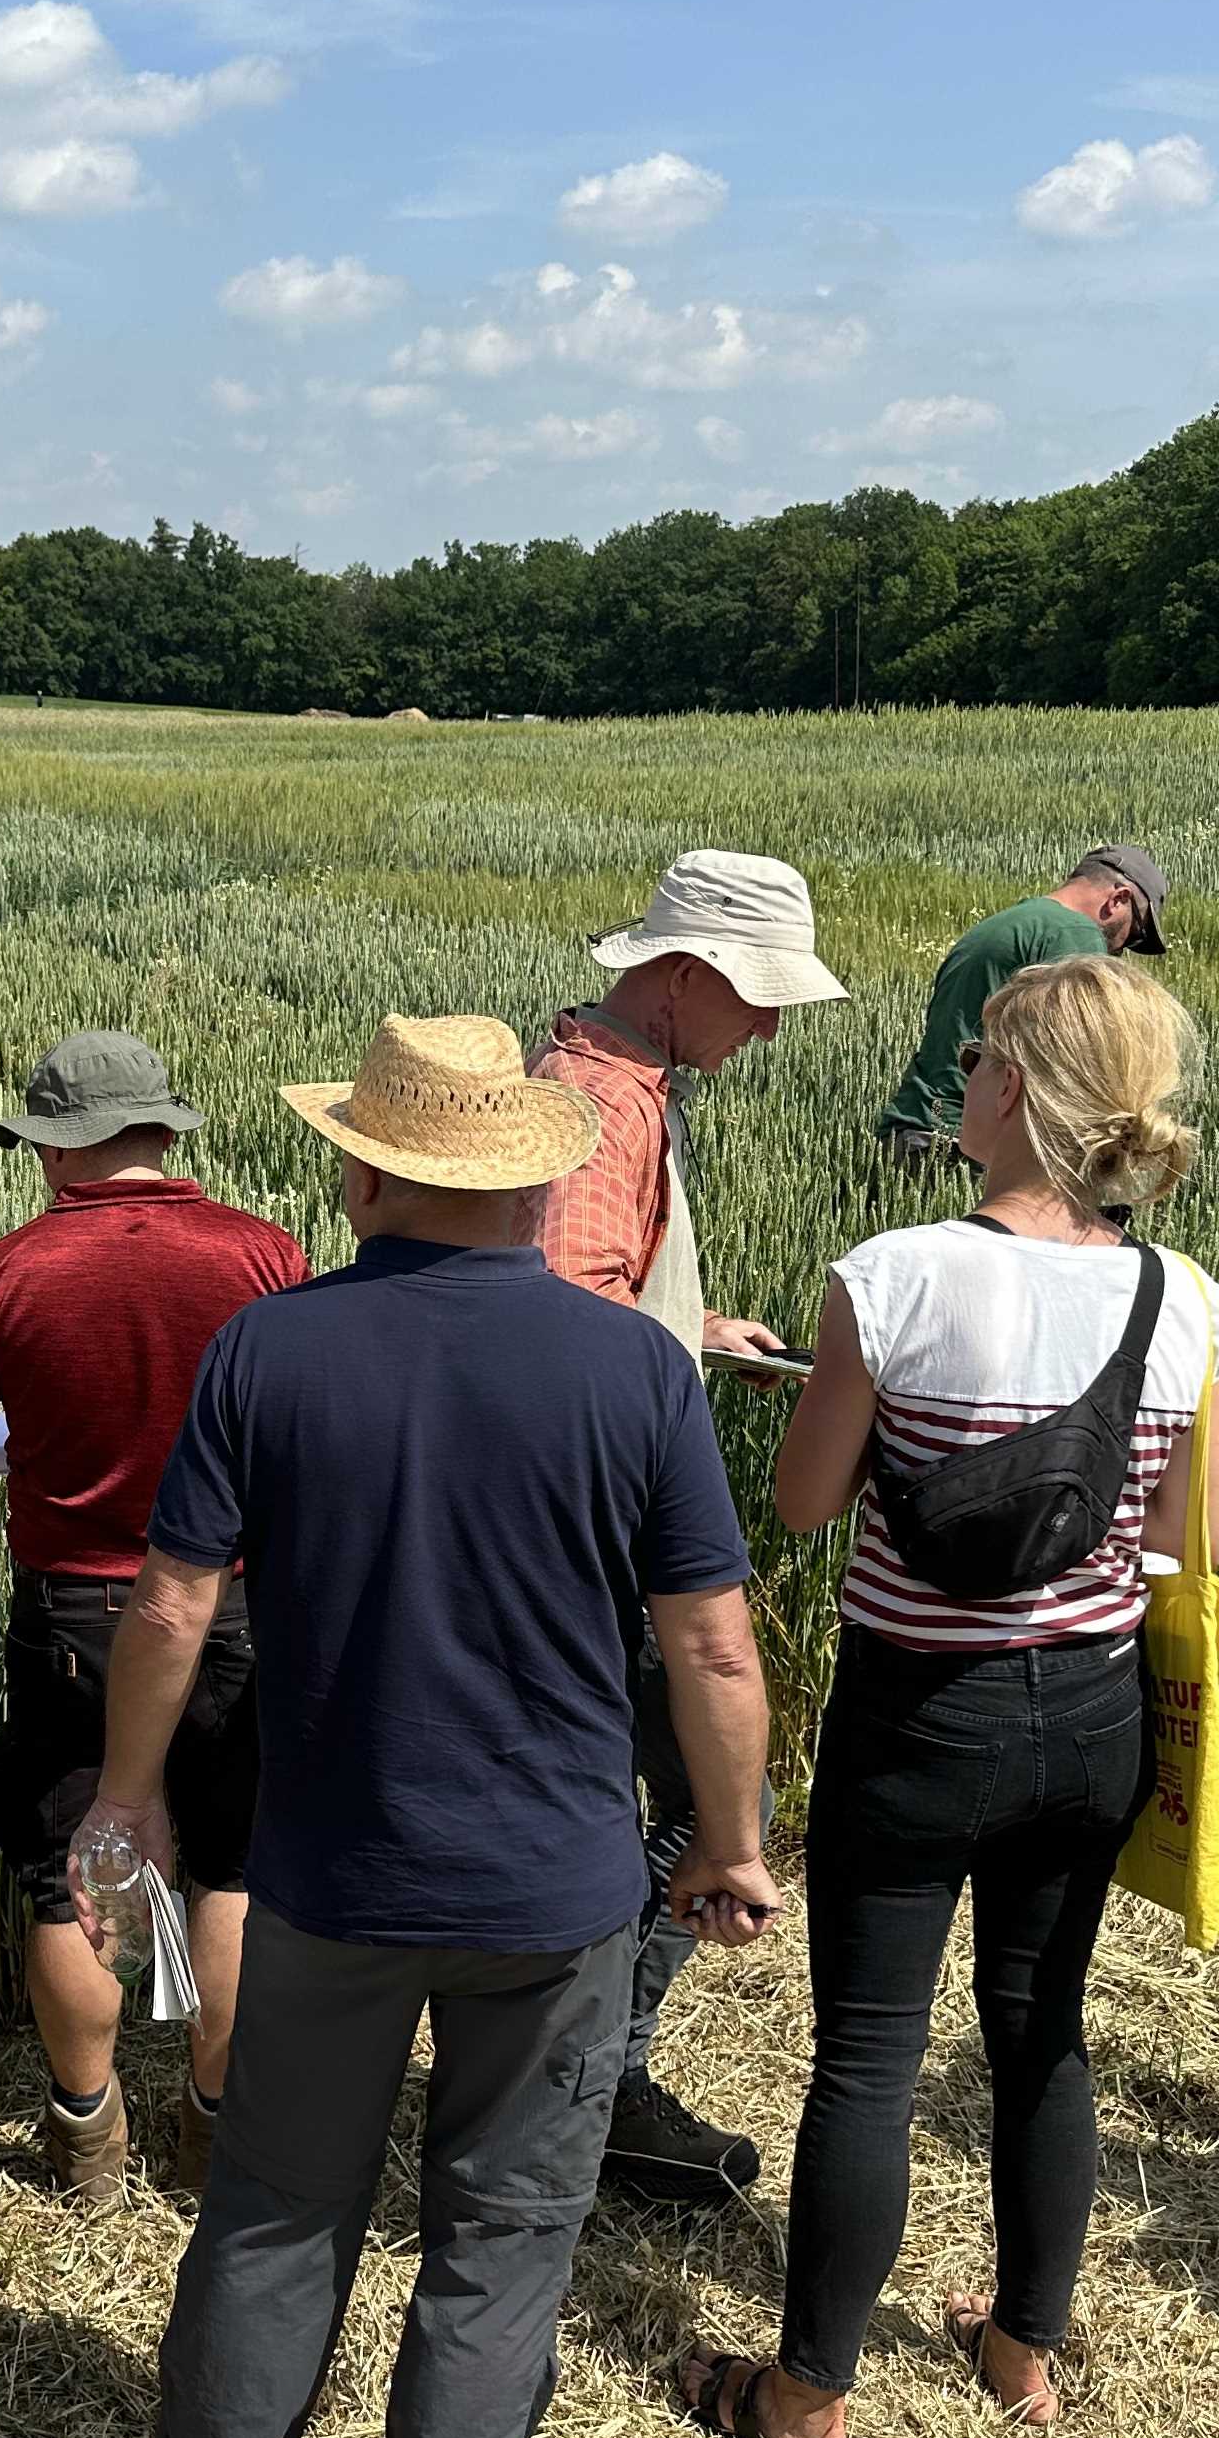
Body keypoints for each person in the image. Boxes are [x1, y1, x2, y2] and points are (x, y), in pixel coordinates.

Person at [101, 1013, 778, 2438]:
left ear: (364, 1172)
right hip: (557, 1891)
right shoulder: (636, 1369)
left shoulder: (269, 1350)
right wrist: (732, 1841)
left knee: (274, 2210)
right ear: (538, 1186)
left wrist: (130, 1795)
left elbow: (172, 1606)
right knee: (502, 2241)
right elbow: (710, 1645)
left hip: (330, 1878)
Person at [680, 954, 1219, 2438]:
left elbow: (806, 1501)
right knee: (1041, 2027)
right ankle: (1020, 2351)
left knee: (868, 2057)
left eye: (983, 1059)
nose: (964, 1081)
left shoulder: (896, 1276)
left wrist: (883, 1428)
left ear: (1012, 1092)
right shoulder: (1179, 1298)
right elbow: (1200, 1532)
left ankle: (807, 2399)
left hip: (921, 1715)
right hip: (1095, 1721)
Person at [0, 1030, 308, 2203]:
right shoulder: (266, 1257)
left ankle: (87, 2136)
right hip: (233, 1608)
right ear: (163, 1132)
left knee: (72, 1873)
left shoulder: (7, 1274)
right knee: (231, 1871)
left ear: (56, 1150)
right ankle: (212, 2128)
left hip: (77, 1622)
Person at [532, 847, 843, 2209]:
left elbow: (593, 1285)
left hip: (588, 1500)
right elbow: (567, 1307)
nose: (766, 1028)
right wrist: (663, 1358)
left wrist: (696, 1326)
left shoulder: (599, 1083)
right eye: (756, 996)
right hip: (606, 1513)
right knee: (721, 1801)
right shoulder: (607, 1105)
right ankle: (595, 2089)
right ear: (679, 977)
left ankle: (576, 2077)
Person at [879, 845, 1172, 1161]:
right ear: (1118, 900)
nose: (1121, 949)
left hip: (919, 1124)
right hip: (967, 1142)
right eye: (1136, 933)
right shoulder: (1075, 934)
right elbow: (1082, 1060)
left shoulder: (1015, 923)